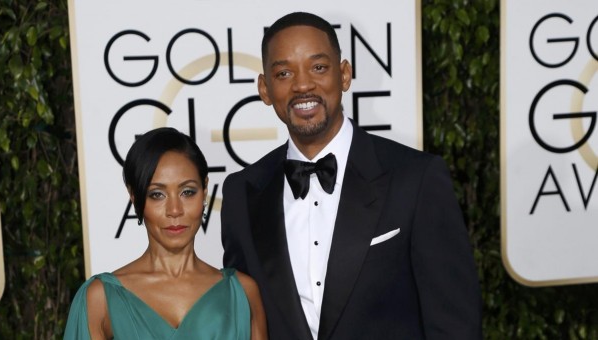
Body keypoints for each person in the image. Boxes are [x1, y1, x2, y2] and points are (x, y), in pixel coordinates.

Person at [221, 12, 482, 339]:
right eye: (284, 72)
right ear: (265, 88)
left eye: (318, 67)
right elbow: (245, 320)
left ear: (344, 74)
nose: (303, 85)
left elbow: (455, 326)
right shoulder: (241, 194)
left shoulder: (416, 179)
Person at [64, 127, 267, 339]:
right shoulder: (101, 299)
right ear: (135, 197)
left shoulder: (243, 293)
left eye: (187, 192)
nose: (175, 210)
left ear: (205, 190)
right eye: (157, 194)